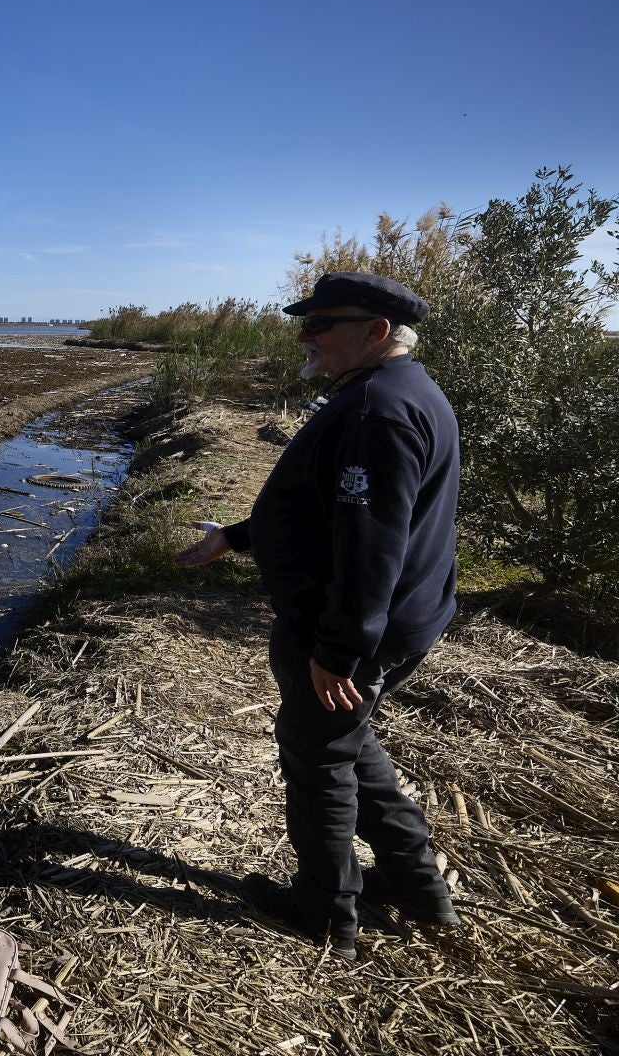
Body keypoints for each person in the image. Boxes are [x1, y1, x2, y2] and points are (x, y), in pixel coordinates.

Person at [174, 271, 461, 961]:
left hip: (352, 632)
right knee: (348, 747)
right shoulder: (395, 393)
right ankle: (419, 889)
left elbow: (372, 544)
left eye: (321, 323)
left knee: (319, 765)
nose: (305, 335)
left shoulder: (377, 412)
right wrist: (237, 536)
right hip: (385, 624)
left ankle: (326, 914)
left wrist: (338, 649)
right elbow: (325, 508)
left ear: (376, 331)